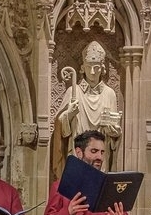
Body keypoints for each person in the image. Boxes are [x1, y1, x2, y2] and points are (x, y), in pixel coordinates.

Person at [44, 130, 132, 215]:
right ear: (79, 152)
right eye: (94, 151)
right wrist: (68, 213)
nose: (100, 157)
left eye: (102, 152)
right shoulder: (61, 185)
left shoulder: (110, 186)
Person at [52, 40, 122, 180]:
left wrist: (113, 132)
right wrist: (68, 115)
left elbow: (115, 131)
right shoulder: (74, 91)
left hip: (100, 159)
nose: (92, 71)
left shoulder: (109, 94)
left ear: (102, 68)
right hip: (78, 155)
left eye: (96, 67)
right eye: (89, 66)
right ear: (83, 67)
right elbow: (60, 127)